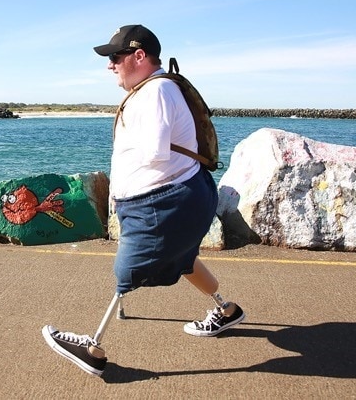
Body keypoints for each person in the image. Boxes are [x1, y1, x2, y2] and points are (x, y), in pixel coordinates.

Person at [41, 24, 245, 377]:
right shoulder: (155, 89)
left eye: (115, 57)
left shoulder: (156, 92)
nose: (110, 65)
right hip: (182, 195)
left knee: (127, 271)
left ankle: (92, 347)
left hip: (164, 202)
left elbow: (153, 153)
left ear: (139, 56)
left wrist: (126, 190)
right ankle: (227, 310)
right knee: (183, 258)